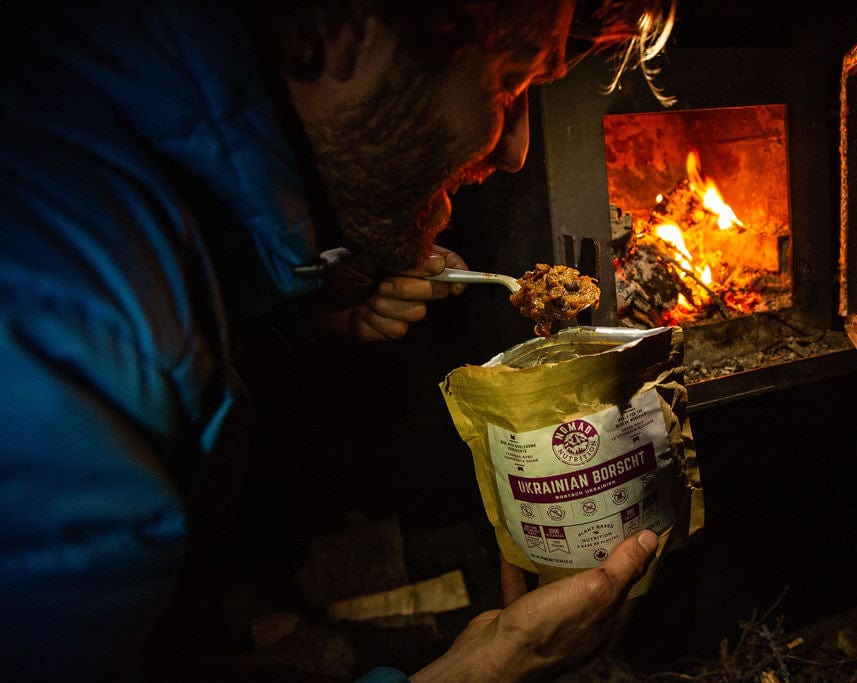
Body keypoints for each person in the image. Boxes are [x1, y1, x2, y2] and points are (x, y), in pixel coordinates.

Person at [0, 0, 674, 680]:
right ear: (343, 23)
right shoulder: (72, 331)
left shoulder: (112, 176)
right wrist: (487, 670)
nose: (517, 147)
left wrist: (307, 306)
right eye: (511, 80)